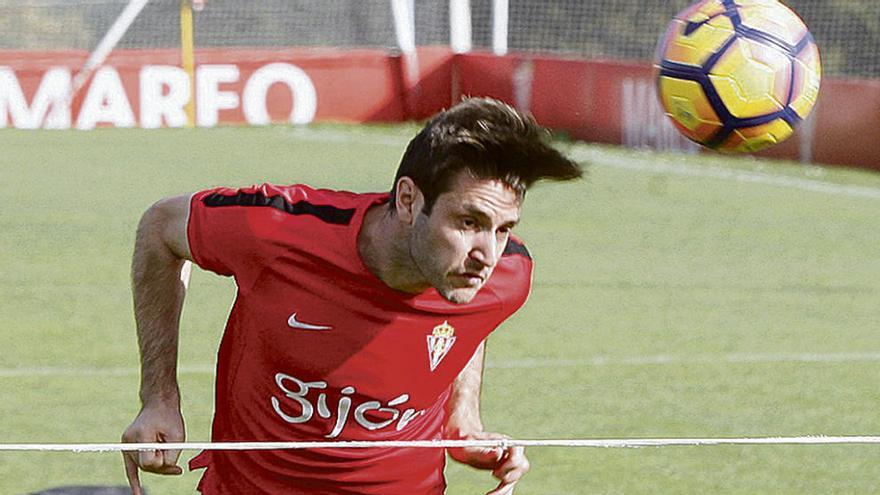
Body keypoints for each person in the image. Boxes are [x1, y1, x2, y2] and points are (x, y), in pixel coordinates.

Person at [121, 97, 582, 494]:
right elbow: (161, 229)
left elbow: (473, 314)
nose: (487, 254)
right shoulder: (279, 231)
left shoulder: (507, 273)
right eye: (468, 222)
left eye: (503, 229)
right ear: (407, 199)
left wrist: (464, 421)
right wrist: (159, 396)